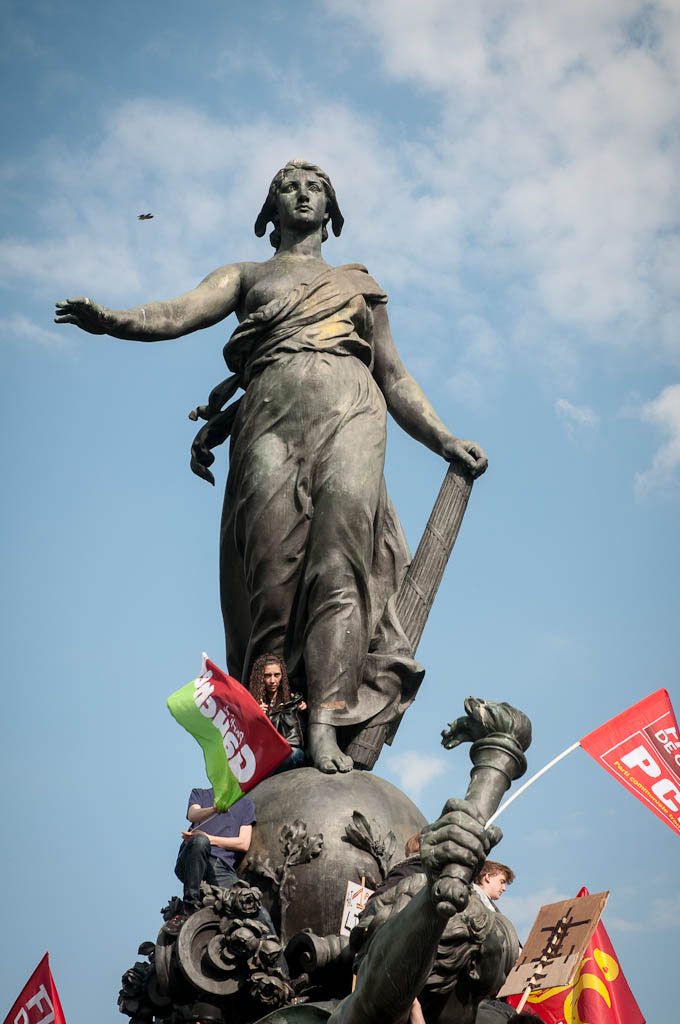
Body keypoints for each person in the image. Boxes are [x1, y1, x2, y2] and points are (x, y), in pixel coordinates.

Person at [55, 159, 488, 774]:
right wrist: (114, 322)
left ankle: (326, 723)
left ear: (332, 211)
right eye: (289, 186)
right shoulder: (247, 275)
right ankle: (270, 724)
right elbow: (177, 312)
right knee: (272, 580)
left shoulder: (358, 286)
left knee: (342, 564)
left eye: (317, 188)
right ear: (269, 210)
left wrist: (444, 438)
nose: (303, 194)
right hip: (269, 420)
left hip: (351, 411)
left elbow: (392, 375)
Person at [165, 785, 271, 936]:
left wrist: (211, 839)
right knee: (200, 842)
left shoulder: (246, 804)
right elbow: (192, 814)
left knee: (262, 916)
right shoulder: (199, 794)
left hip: (220, 868)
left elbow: (243, 843)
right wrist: (214, 809)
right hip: (193, 858)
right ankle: (188, 908)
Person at [249, 652, 307, 772]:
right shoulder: (251, 703)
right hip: (266, 756)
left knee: (294, 754)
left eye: (277, 675)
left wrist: (304, 710)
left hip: (290, 752)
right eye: (267, 676)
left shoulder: (292, 699)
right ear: (260, 678)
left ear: (282, 676)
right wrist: (255, 716)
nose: (272, 680)